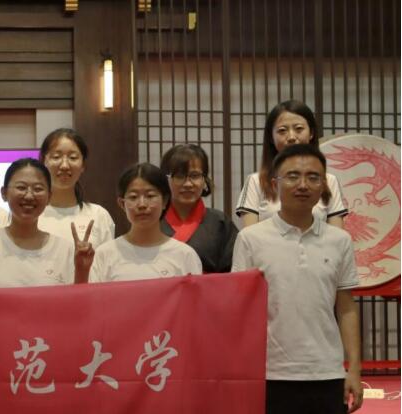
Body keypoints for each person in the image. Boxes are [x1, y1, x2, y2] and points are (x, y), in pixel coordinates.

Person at [232, 143, 362, 414]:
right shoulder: (252, 239)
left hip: (326, 379)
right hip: (271, 379)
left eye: (312, 177)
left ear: (325, 187)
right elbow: (240, 309)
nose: (303, 184)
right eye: (293, 176)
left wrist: (354, 369)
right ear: (274, 185)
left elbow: (346, 307)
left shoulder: (339, 241)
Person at [0, 158, 93, 288]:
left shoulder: (65, 250)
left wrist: (82, 270)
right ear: (4, 193)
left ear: (49, 197)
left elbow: (76, 298)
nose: (29, 196)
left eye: (38, 189)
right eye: (21, 187)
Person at [236, 100, 347, 228]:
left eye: (299, 129)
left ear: (311, 133)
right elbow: (249, 236)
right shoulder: (256, 181)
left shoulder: (329, 181)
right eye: (282, 131)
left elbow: (336, 236)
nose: (291, 137)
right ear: (271, 137)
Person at [90, 163, 202, 282]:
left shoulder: (185, 255)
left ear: (165, 201)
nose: (142, 204)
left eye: (150, 196)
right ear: (122, 204)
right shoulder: (104, 255)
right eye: (133, 197)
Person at [160, 144, 238, 273]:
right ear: (165, 179)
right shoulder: (154, 222)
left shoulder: (220, 222)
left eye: (195, 175)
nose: (188, 184)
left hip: (210, 286)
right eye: (179, 176)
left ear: (204, 180)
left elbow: (234, 271)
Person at [39, 128, 115, 248]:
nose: (64, 165)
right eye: (56, 157)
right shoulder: (31, 216)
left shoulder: (99, 215)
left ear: (83, 165)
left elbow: (108, 259)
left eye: (73, 157)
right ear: (44, 162)